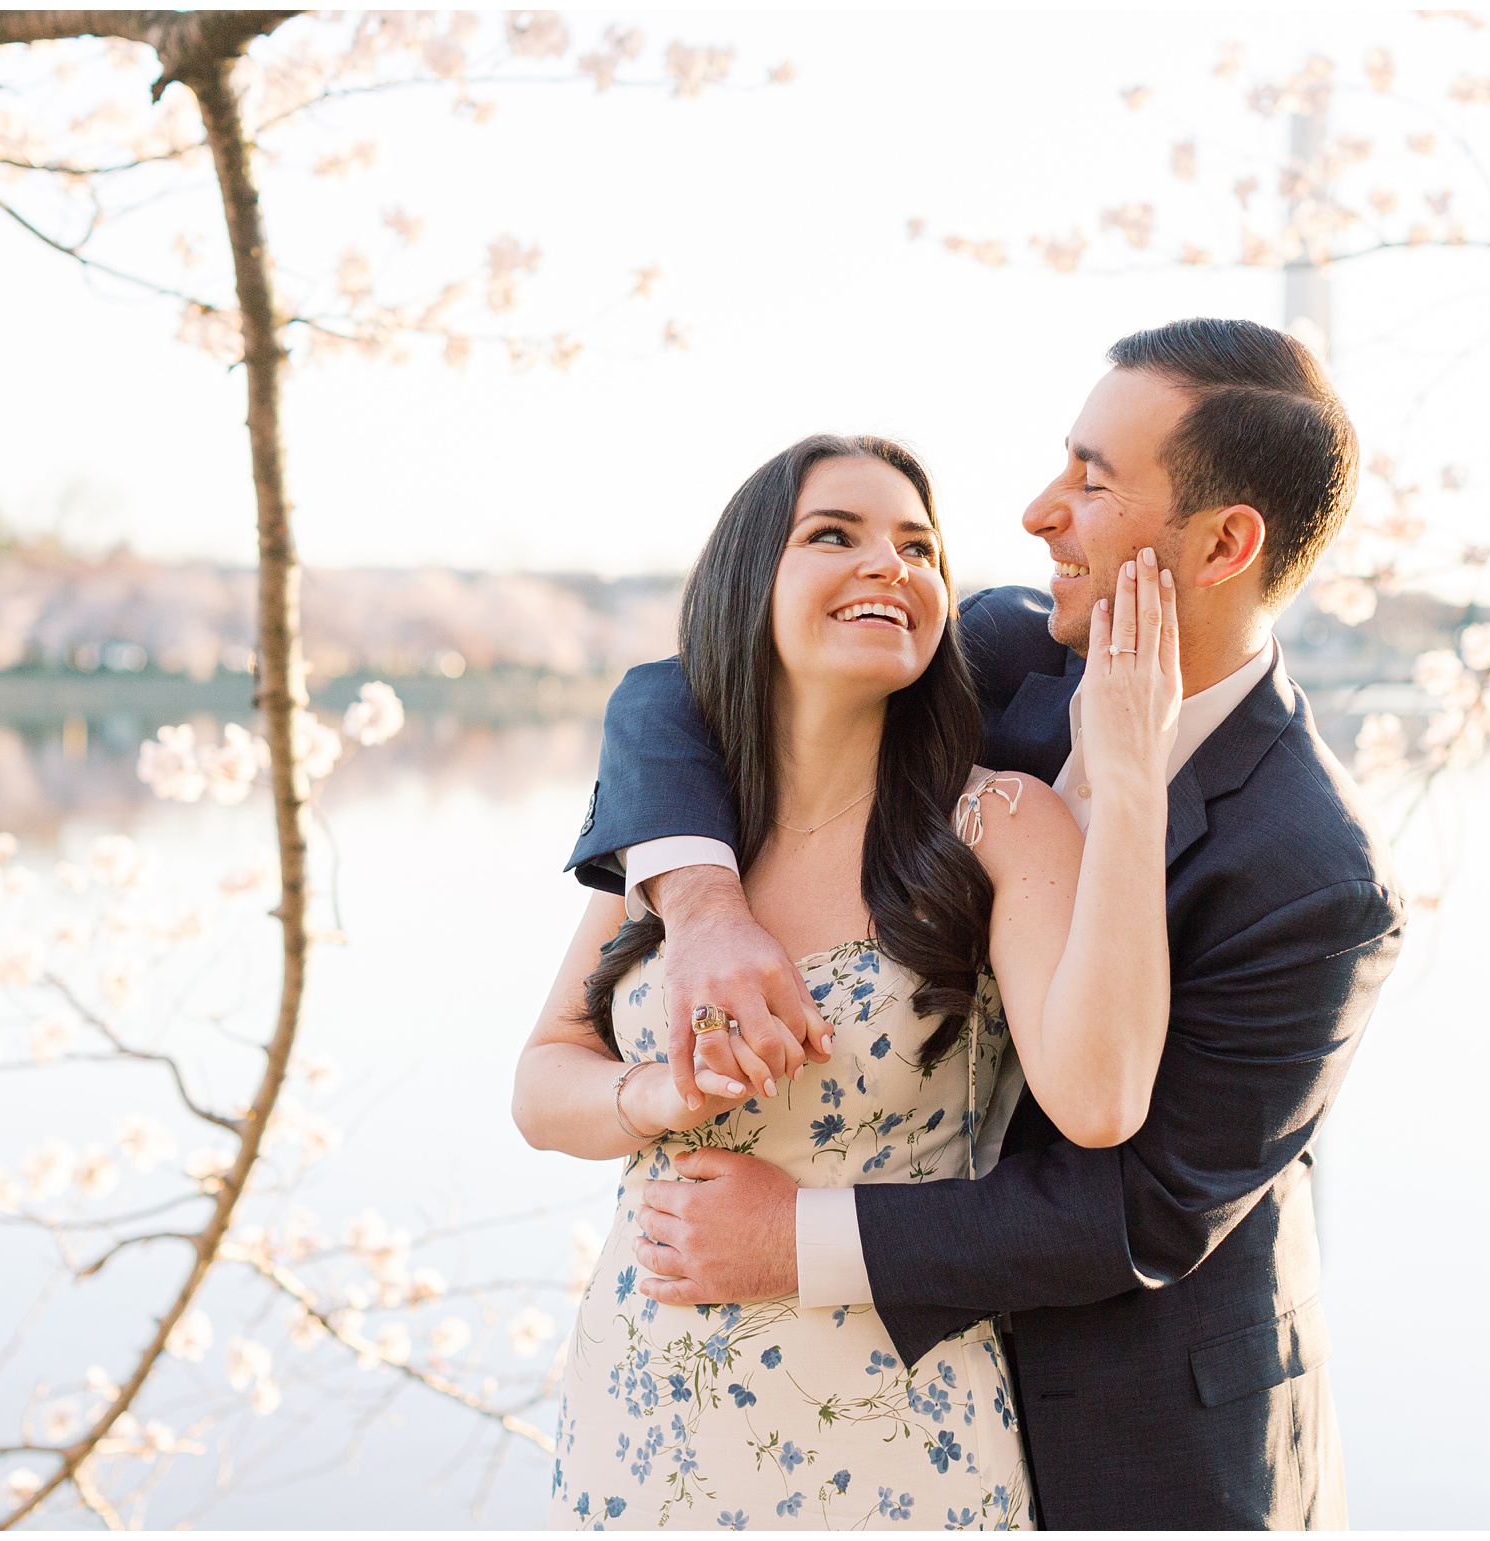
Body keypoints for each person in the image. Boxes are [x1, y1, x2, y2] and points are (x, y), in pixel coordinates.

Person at [566, 319, 1407, 1529]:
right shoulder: (1007, 654)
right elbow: (682, 690)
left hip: (1139, 1432)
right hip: (805, 1404)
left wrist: (784, 1239)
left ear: (1223, 543)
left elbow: (1137, 1206)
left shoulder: (1315, 878)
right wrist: (699, 906)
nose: (1035, 511)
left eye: (1090, 481)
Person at [514, 433, 1190, 1529]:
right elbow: (542, 1081)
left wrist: (1126, 783)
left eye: (918, 547)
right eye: (834, 534)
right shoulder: (678, 837)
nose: (890, 563)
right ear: (749, 581)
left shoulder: (996, 824)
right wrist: (655, 1098)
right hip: (637, 1410)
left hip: (883, 1438)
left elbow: (1101, 1098)